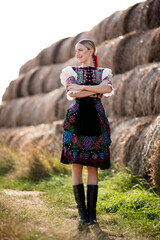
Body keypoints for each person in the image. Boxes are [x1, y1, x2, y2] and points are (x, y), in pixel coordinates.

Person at [60, 39, 114, 225]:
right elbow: (71, 93)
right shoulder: (71, 72)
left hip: (97, 119)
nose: (78, 54)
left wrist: (82, 87)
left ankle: (92, 215)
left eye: (81, 50)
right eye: (76, 51)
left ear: (91, 51)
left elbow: (107, 88)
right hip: (76, 120)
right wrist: (93, 91)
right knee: (77, 164)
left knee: (93, 166)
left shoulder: (103, 72)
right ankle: (82, 213)